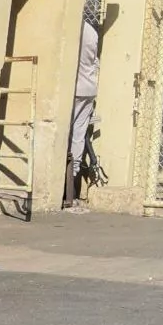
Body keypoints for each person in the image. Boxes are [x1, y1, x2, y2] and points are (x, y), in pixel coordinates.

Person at [63, 17, 102, 211]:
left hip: (73, 88)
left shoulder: (71, 26)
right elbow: (94, 62)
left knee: (66, 133)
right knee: (78, 136)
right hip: (88, 87)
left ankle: (64, 184)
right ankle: (71, 186)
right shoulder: (91, 31)